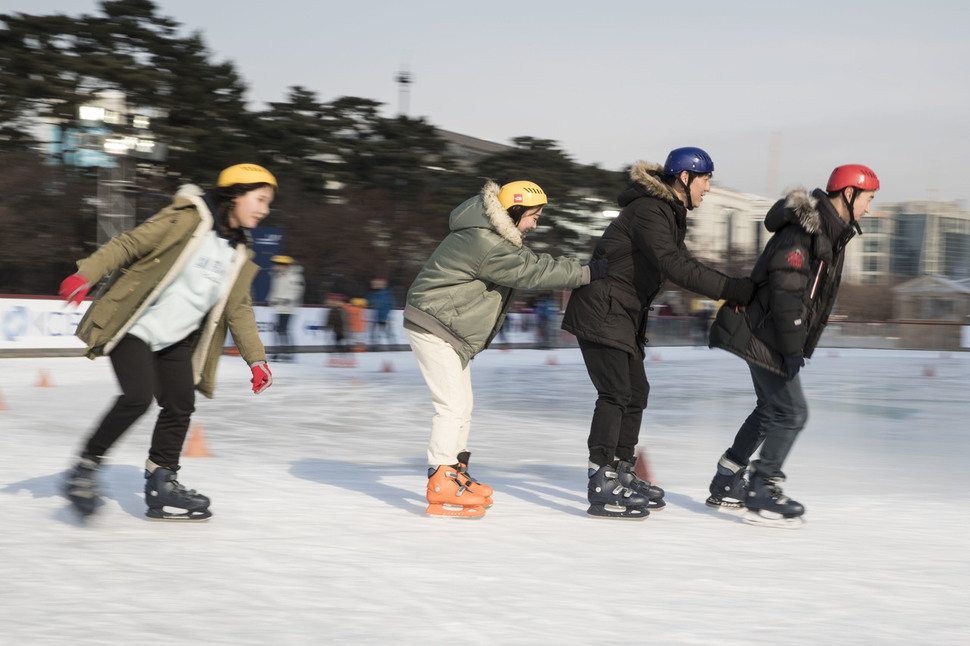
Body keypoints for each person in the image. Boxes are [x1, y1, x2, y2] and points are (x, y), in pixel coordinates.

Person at [58, 163, 277, 521]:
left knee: (180, 403)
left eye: (267, 202)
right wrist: (87, 273)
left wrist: (256, 359)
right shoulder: (188, 218)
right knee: (137, 397)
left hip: (176, 339)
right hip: (135, 325)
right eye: (260, 199)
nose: (264, 209)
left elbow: (238, 307)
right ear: (235, 195)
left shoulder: (240, 251)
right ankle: (84, 468)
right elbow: (130, 243)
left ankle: (162, 480)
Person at [561, 147, 756, 520]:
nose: (709, 188)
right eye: (706, 179)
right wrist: (732, 289)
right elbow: (675, 265)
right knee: (616, 392)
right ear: (685, 178)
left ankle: (620, 469)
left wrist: (732, 287)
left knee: (636, 392)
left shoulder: (666, 213)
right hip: (603, 309)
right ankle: (600, 476)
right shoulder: (651, 210)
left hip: (622, 314)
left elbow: (681, 264)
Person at [404, 180, 608, 518]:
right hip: (434, 324)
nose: (534, 224)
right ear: (514, 212)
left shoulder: (491, 236)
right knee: (451, 406)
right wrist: (586, 272)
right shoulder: (486, 242)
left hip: (446, 327)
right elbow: (532, 271)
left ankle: (455, 473)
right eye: (534, 216)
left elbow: (530, 262)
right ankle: (440, 478)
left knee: (463, 405)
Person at [706, 164, 880, 528]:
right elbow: (787, 294)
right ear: (848, 194)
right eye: (868, 199)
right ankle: (762, 487)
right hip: (765, 334)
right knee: (793, 412)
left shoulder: (830, 233)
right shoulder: (806, 230)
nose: (869, 208)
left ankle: (727, 480)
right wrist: (791, 348)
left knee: (771, 410)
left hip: (765, 331)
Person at [267, 254, 305, 361]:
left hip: (289, 307)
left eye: (277, 265)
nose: (274, 267)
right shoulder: (278, 276)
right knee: (278, 330)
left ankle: (287, 352)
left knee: (283, 330)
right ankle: (279, 351)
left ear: (285, 266)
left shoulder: (295, 276)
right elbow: (275, 290)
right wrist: (271, 299)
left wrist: (284, 299)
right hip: (279, 307)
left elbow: (296, 291)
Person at [367, 278, 396, 348]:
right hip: (376, 316)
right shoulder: (374, 294)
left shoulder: (385, 295)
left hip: (383, 317)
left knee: (386, 331)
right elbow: (369, 302)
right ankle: (375, 344)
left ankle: (393, 345)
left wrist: (383, 318)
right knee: (375, 331)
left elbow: (386, 306)